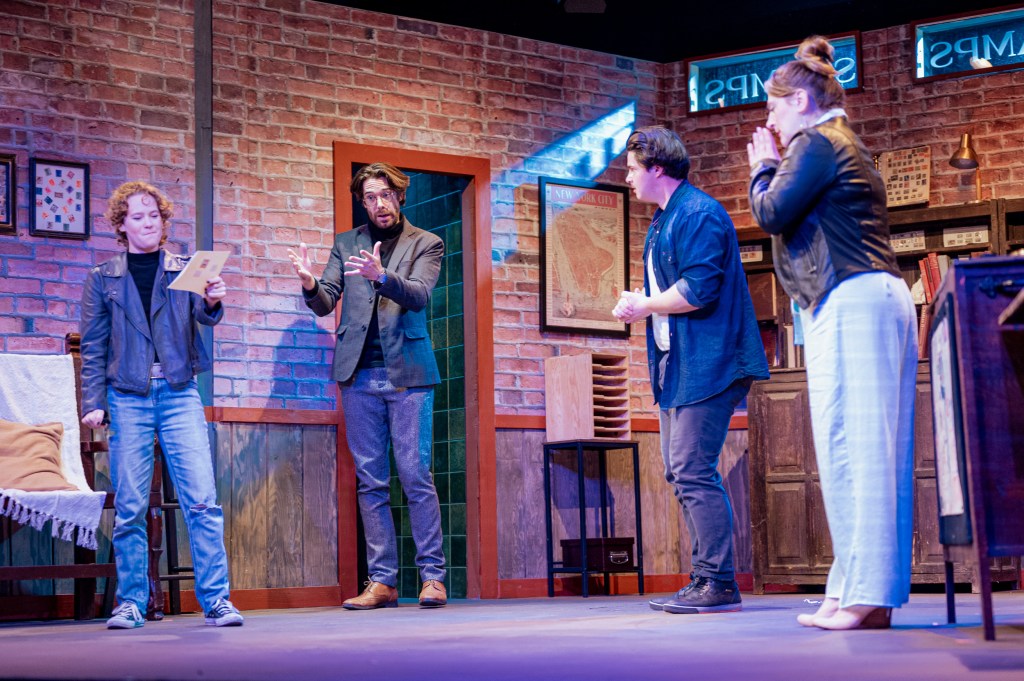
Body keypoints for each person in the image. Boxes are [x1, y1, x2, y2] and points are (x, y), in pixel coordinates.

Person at [747, 36, 917, 631]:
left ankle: (863, 592)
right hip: (862, 295)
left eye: (774, 107)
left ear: (799, 101)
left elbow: (772, 212)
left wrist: (762, 167)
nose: (769, 121)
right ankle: (856, 590)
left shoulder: (817, 141)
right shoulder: (838, 140)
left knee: (854, 446)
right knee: (857, 446)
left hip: (853, 296)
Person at [613, 126, 769, 614]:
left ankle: (718, 581)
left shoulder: (698, 214)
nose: (627, 177)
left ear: (657, 168)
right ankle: (705, 577)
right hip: (677, 365)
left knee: (692, 469)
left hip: (711, 361)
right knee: (680, 472)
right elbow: (670, 292)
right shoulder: (663, 220)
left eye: (633, 169)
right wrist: (641, 304)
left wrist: (645, 304)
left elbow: (699, 289)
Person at [80, 181, 243, 629]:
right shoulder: (103, 278)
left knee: (202, 501)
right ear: (122, 225)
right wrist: (93, 400)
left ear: (163, 220)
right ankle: (132, 602)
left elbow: (203, 316)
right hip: (127, 396)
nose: (148, 223)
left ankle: (216, 600)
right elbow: (93, 345)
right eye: (137, 216)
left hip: (178, 391)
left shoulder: (185, 269)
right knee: (131, 506)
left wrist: (212, 300)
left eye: (154, 215)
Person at [288, 163, 447, 609]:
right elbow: (326, 301)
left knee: (415, 475)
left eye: (386, 195)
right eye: (371, 197)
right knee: (371, 482)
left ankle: (433, 577)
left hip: (409, 375)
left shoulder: (426, 242)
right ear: (363, 202)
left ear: (400, 196)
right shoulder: (346, 243)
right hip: (358, 375)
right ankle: (382, 581)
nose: (379, 204)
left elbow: (419, 294)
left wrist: (382, 276)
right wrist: (310, 284)